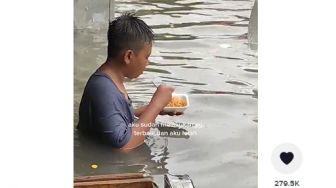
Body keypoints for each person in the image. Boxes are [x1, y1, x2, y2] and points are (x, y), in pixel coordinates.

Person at [77, 13, 176, 150]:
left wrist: (155, 109)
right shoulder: (102, 88)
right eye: (146, 57)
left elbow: (119, 118)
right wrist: (156, 104)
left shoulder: (112, 81)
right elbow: (124, 146)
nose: (148, 63)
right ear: (128, 56)